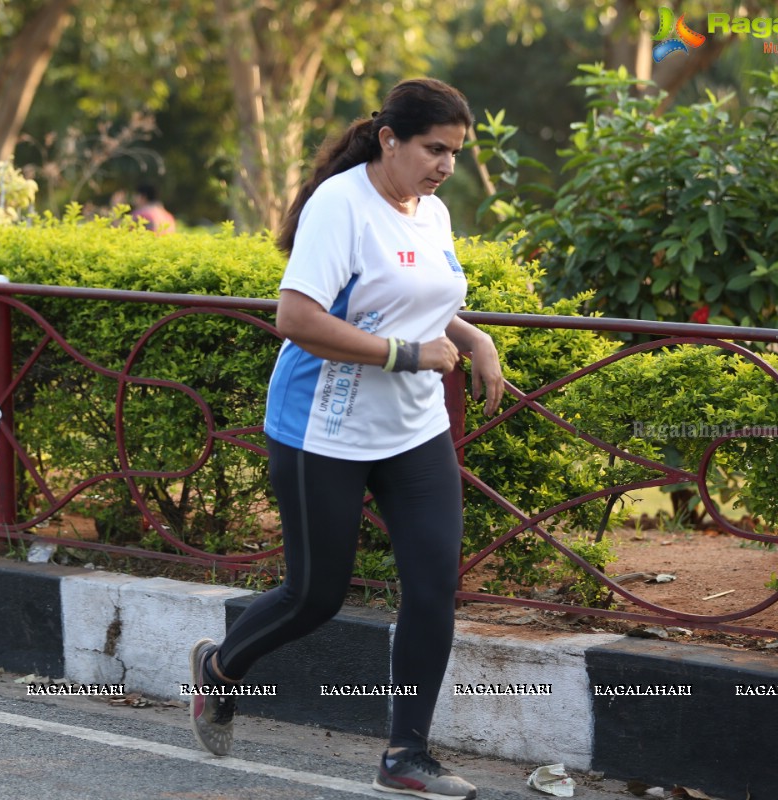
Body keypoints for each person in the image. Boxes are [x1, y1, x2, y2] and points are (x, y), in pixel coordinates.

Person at [187, 78, 504, 800]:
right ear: (389, 139)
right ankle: (220, 668)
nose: (446, 165)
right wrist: (407, 354)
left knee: (433, 589)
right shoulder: (341, 206)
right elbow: (296, 318)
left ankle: (406, 755)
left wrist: (470, 333)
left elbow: (421, 296)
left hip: (412, 430)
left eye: (455, 152)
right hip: (321, 429)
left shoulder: (433, 212)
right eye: (434, 149)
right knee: (315, 595)